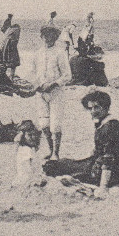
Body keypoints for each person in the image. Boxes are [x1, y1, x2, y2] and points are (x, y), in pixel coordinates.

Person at [43, 91, 119, 194]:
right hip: (118, 169)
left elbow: (108, 159)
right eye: (90, 108)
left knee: (53, 166)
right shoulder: (106, 123)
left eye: (96, 107)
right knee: (64, 163)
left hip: (111, 173)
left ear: (106, 107)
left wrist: (103, 187)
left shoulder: (109, 127)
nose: (93, 111)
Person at [31, 25, 73, 161]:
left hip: (56, 92)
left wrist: (53, 84)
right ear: (42, 37)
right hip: (41, 93)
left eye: (52, 36)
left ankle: (56, 152)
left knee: (55, 124)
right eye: (46, 36)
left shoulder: (60, 53)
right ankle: (50, 150)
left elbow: (67, 75)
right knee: (44, 124)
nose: (49, 38)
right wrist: (36, 85)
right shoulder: (37, 53)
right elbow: (33, 73)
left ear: (56, 37)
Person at [12, 120, 42, 186]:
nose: (33, 137)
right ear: (23, 136)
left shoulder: (29, 149)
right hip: (26, 175)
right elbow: (27, 168)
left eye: (34, 135)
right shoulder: (25, 150)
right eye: (29, 135)